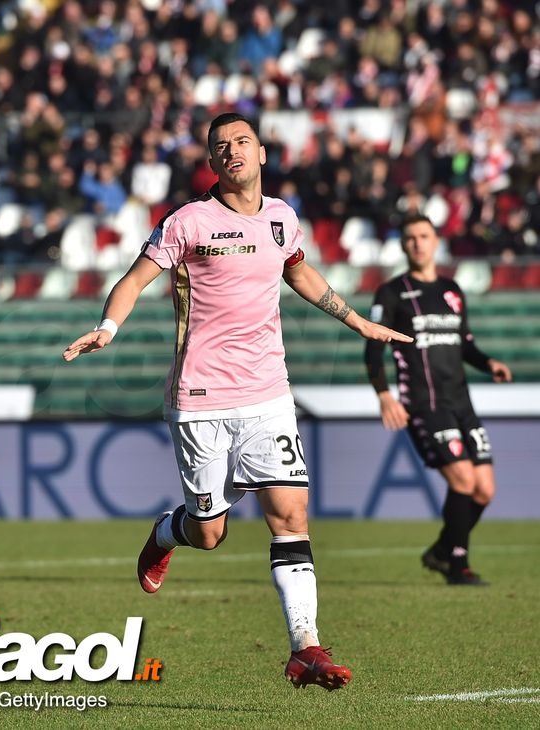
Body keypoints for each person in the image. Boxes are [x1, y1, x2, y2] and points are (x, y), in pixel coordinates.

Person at [62, 112, 411, 691]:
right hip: (200, 397)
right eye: (220, 146)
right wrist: (108, 327)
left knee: (290, 515)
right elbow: (131, 281)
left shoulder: (282, 218)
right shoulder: (188, 222)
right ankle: (167, 531)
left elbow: (300, 273)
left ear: (263, 153)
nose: (233, 151)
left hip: (268, 393)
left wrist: (358, 323)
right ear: (211, 162)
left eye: (242, 141)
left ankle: (307, 648)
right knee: (209, 533)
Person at [365, 214, 512, 586]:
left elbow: (465, 344)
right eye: (411, 238)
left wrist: (487, 362)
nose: (417, 243)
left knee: (486, 489)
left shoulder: (452, 290)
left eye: (424, 236)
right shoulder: (392, 292)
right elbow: (373, 350)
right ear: (403, 245)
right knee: (462, 479)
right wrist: (384, 395)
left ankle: (441, 551)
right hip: (423, 404)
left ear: (435, 242)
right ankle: (457, 565)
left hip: (461, 402)